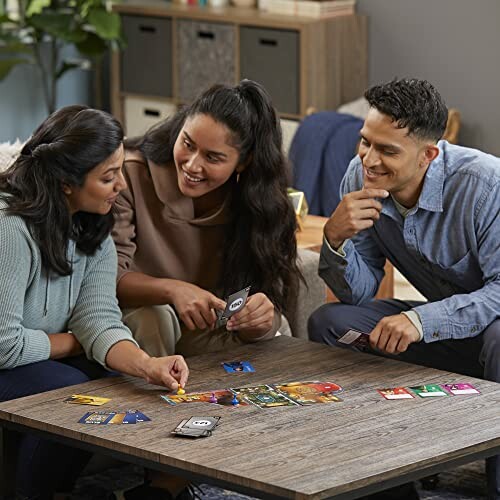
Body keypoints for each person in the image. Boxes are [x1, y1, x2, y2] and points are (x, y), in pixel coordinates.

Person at [308, 78, 500, 500]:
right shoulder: (359, 178)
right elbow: (359, 294)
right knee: (330, 323)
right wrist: (334, 239)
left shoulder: (485, 186)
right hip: (448, 340)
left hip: (490, 335)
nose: (369, 160)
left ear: (428, 154)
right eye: (365, 142)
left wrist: (420, 319)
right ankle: (377, 479)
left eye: (387, 151)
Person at [0, 105, 189, 500]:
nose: (121, 184)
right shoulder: (10, 229)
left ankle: (56, 490)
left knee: (115, 380)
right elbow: (5, 344)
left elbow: (98, 318)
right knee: (67, 385)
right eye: (108, 176)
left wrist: (147, 365)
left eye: (119, 169)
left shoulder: (92, 227)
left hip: (34, 353)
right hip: (7, 356)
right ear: (66, 182)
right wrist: (73, 341)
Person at [113, 79, 302, 358]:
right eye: (187, 143)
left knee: (273, 333)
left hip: (205, 328)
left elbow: (266, 296)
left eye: (213, 158)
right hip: (135, 320)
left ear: (243, 162)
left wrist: (258, 318)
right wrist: (172, 290)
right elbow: (104, 279)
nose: (192, 165)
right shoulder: (128, 174)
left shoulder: (259, 202)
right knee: (153, 318)